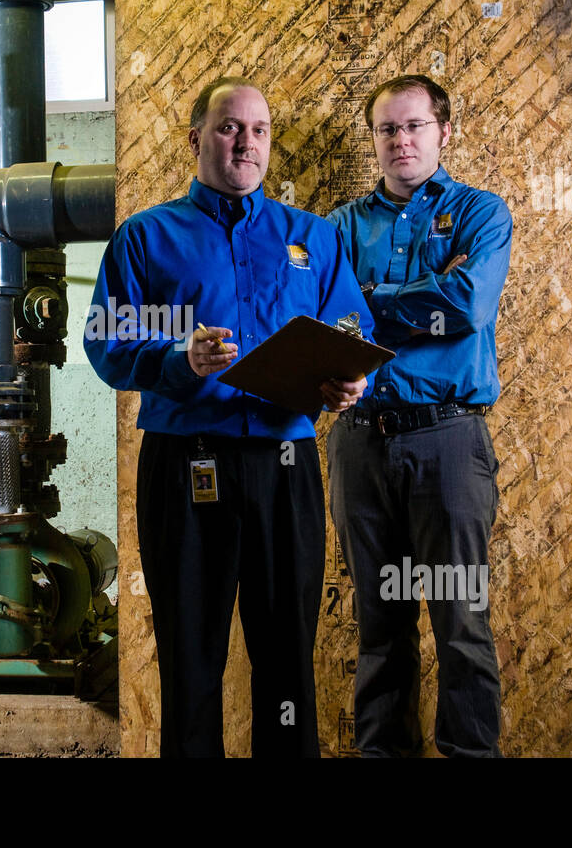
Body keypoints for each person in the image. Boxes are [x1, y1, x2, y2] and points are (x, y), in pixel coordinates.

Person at [85, 76, 374, 757]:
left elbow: (351, 321)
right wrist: (179, 359)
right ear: (195, 139)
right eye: (228, 127)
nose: (245, 142)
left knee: (286, 661)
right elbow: (106, 342)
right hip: (187, 465)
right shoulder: (146, 238)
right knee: (191, 656)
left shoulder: (313, 237)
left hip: (285, 465)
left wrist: (350, 378)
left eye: (259, 130)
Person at [326, 74, 512, 758]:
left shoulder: (481, 213)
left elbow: (467, 305)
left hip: (447, 440)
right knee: (380, 628)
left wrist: (370, 300)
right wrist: (419, 294)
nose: (401, 140)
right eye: (387, 129)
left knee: (461, 623)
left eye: (415, 126)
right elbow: (325, 313)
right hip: (359, 444)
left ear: (445, 132)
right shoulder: (343, 225)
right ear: (374, 139)